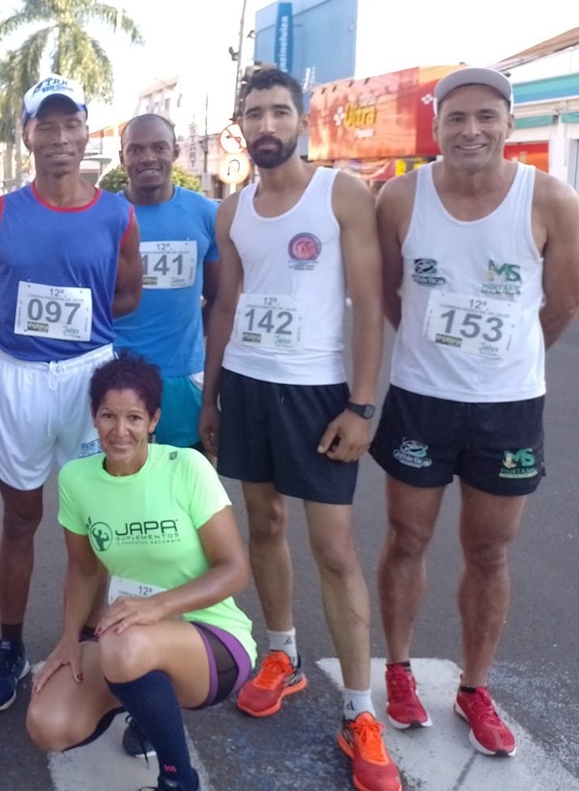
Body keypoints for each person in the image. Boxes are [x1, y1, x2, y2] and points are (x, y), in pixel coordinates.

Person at [198, 67, 399, 791]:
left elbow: (369, 302)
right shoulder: (234, 210)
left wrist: (363, 405)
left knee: (335, 548)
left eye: (279, 111)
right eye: (253, 114)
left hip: (319, 393)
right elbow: (224, 309)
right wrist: (213, 397)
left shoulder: (342, 193)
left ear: (301, 120)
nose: (266, 125)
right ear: (241, 127)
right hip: (249, 385)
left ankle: (359, 709)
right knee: (264, 522)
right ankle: (280, 654)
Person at [372, 67, 579, 756]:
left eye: (487, 117)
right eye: (457, 118)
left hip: (508, 406)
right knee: (407, 539)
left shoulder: (549, 198)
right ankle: (398, 670)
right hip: (422, 399)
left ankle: (474, 686)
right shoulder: (400, 198)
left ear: (509, 123)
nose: (472, 130)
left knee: (489, 551)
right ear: (437, 127)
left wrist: (505, 360)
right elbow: (391, 297)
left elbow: (560, 306)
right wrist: (435, 351)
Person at [0, 76, 143, 712]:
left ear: (85, 132)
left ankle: (88, 642)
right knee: (20, 520)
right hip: (18, 377)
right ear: (28, 135)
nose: (61, 137)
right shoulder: (1, 213)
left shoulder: (116, 214)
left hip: (87, 377)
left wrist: (83, 328)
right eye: (47, 125)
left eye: (72, 124)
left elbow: (127, 294)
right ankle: (11, 644)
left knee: (93, 526)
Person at [26, 354, 254, 791]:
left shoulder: (186, 468)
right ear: (94, 418)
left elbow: (234, 570)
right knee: (47, 724)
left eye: (134, 417)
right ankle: (145, 705)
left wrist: (157, 607)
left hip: (211, 639)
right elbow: (82, 568)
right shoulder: (76, 479)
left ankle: (178, 780)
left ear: (154, 420)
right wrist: (70, 639)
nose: (119, 429)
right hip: (129, 635)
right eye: (108, 415)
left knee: (122, 643)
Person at [113, 114, 219, 449]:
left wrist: (188, 340)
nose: (147, 157)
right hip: (116, 375)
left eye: (159, 147)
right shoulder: (104, 216)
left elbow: (218, 297)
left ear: (174, 152)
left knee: (191, 487)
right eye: (136, 149)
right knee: (121, 489)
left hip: (185, 377)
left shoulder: (204, 213)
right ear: (122, 158)